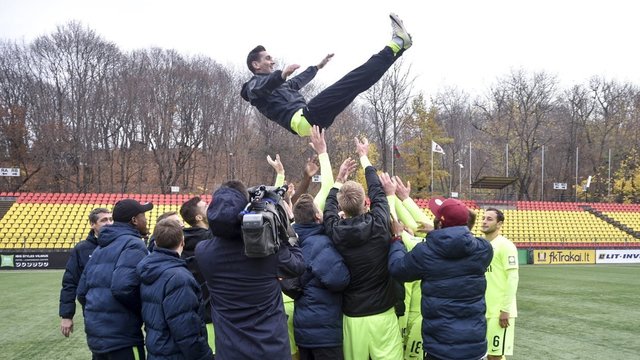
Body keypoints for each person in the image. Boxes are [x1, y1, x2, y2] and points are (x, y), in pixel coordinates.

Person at [241, 14, 412, 137]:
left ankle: (400, 47)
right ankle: (396, 43)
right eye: (268, 58)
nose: (273, 61)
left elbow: (297, 81)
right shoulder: (252, 87)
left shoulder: (280, 86)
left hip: (311, 121)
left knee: (358, 84)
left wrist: (317, 67)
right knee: (353, 80)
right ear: (256, 65)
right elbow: (262, 87)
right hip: (304, 119)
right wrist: (281, 75)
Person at [195, 180, 305, 360]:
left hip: (230, 351)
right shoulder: (268, 252)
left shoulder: (203, 253)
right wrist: (284, 229)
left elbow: (216, 235)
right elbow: (298, 265)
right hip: (271, 350)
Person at [323, 137, 404, 360]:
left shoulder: (335, 230)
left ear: (342, 206)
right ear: (364, 203)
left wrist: (339, 179)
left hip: (353, 315)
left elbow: (328, 207)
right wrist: (364, 156)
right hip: (383, 313)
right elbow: (378, 191)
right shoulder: (379, 222)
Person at [388, 197, 493, 360]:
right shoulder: (483, 249)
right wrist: (441, 233)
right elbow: (462, 241)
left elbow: (397, 269)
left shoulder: (426, 252)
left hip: (440, 348)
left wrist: (397, 238)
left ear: (440, 223)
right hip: (475, 347)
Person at [77, 199, 153, 360]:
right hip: (122, 338)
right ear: (134, 220)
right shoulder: (133, 244)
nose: (146, 220)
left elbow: (82, 292)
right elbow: (123, 288)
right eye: (143, 216)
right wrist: (142, 310)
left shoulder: (100, 247)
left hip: (97, 337)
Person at [137, 218, 214, 359]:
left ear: (155, 242)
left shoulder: (147, 267)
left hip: (157, 349)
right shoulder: (178, 278)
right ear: (182, 242)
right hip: (175, 353)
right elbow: (186, 331)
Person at [292, 194, 350, 360]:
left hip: (304, 329)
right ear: (318, 216)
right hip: (324, 333)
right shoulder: (318, 243)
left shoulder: (296, 241)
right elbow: (339, 280)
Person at [59, 207, 113, 338]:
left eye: (111, 219)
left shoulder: (121, 244)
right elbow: (70, 282)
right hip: (93, 312)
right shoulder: (82, 249)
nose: (109, 223)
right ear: (92, 224)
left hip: (121, 312)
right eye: (104, 220)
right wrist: (67, 315)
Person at [179, 196, 216, 354]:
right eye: (206, 206)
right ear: (199, 217)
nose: (210, 207)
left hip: (195, 318)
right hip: (215, 316)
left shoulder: (180, 242)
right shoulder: (213, 240)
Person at [482, 208, 519, 360]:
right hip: (482, 309)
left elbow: (513, 278)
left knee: (494, 355)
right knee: (485, 354)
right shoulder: (481, 244)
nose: (484, 221)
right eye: (483, 218)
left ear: (499, 224)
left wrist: (505, 309)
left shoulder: (505, 245)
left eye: (489, 219)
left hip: (499, 312)